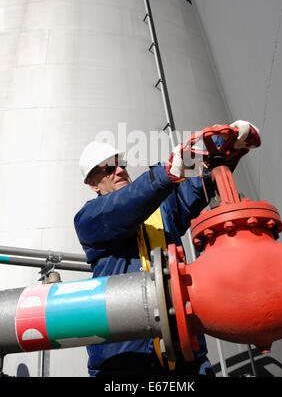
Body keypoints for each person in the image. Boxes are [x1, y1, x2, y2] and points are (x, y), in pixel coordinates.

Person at [74, 120, 261, 378]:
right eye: (108, 169)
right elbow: (122, 208)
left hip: (184, 353)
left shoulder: (162, 208)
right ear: (94, 185)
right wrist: (165, 174)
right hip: (124, 362)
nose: (118, 170)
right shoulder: (89, 219)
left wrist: (227, 146)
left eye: (121, 164)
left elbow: (195, 183)